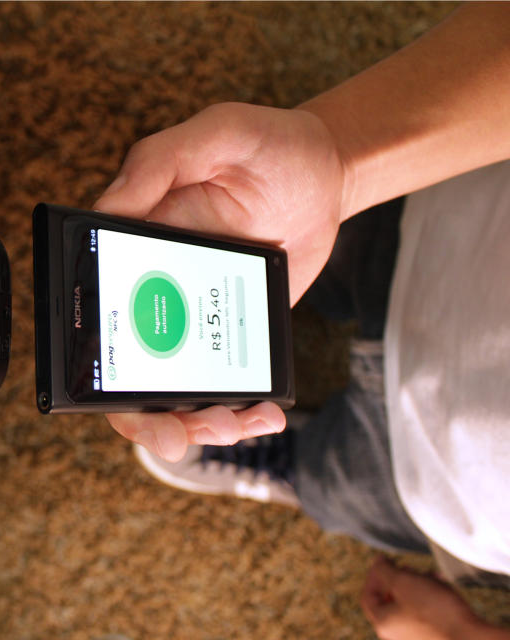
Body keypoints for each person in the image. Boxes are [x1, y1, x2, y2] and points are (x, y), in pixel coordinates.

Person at [92, 3, 510, 639]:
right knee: (271, 265)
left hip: (441, 487)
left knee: (330, 480)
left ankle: (290, 457)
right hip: (428, 203)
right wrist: (341, 161)